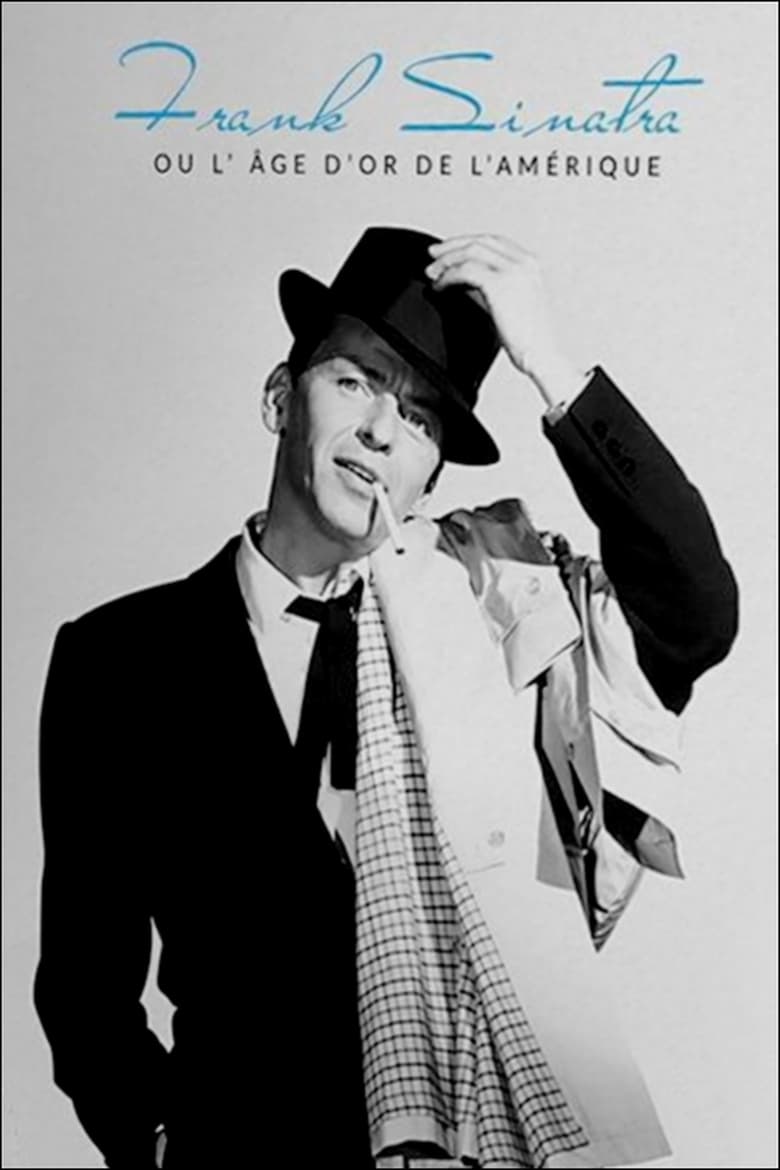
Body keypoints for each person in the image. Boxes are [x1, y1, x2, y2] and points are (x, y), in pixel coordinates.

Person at [34, 227, 738, 1170]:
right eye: (355, 380)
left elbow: (695, 608)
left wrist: (552, 365)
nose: (380, 430)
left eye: (419, 418)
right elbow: (83, 986)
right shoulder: (118, 659)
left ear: (428, 479)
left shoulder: (501, 619)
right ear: (281, 397)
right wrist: (159, 1141)